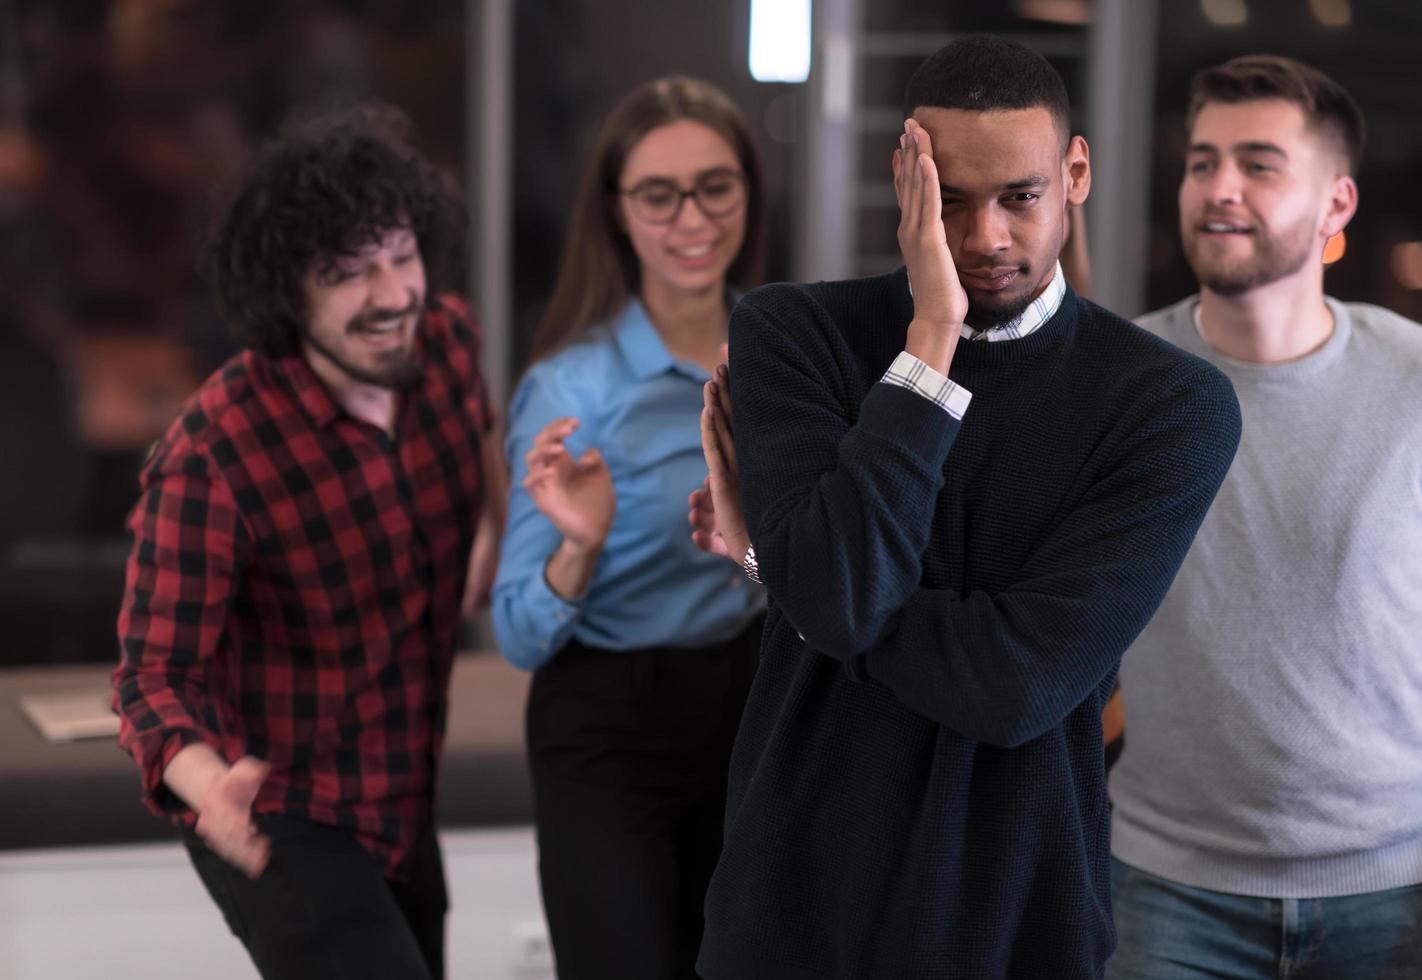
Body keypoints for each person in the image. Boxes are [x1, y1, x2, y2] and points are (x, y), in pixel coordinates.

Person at [688, 34, 1241, 978]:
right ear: (904, 183)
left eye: (1019, 197)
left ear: (1075, 174)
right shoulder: (794, 334)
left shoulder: (1167, 403)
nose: (984, 239)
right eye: (949, 201)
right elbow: (841, 600)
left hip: (1016, 923)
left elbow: (1016, 684)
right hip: (792, 910)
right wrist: (931, 341)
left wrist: (780, 570)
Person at [111, 104, 509, 980]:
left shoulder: (446, 343)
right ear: (287, 289)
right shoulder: (213, 453)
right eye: (348, 274)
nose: (391, 294)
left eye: (401, 257)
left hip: (401, 796)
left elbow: (485, 484)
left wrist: (506, 543)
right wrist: (206, 781)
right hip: (273, 808)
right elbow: (151, 676)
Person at [1102, 55, 1422, 978]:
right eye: (1201, 161)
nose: (1219, 188)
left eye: (1259, 163)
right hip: (1167, 888)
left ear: (1337, 205)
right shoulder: (1119, 379)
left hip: (1408, 883)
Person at [490, 76, 767, 980]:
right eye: (658, 193)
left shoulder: (784, 358)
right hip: (610, 725)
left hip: (751, 702)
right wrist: (582, 544)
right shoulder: (572, 391)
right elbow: (519, 633)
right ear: (617, 212)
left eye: (715, 185)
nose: (692, 216)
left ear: (749, 194)